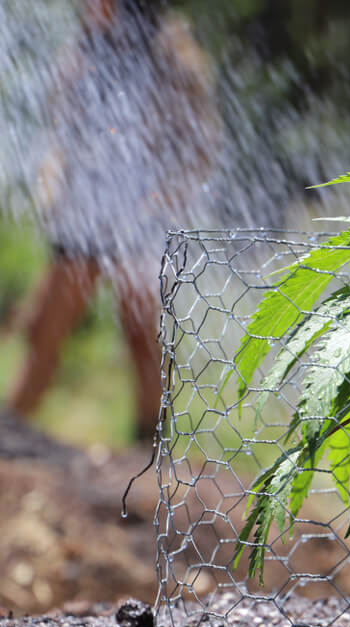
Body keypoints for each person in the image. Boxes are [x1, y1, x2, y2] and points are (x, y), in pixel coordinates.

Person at [7, 0, 218, 442]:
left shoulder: (170, 54)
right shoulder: (82, 52)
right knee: (45, 330)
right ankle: (10, 434)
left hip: (140, 220)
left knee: (142, 337)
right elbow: (62, 129)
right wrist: (53, 181)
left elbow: (201, 143)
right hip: (83, 215)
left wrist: (165, 197)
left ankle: (150, 449)